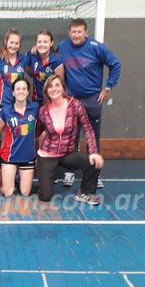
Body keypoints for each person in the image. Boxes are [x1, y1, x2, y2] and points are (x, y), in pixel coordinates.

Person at [57, 18, 121, 189]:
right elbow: (48, 56)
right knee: (71, 137)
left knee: (92, 137)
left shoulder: (96, 47)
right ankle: (69, 172)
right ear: (69, 32)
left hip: (92, 99)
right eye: (73, 32)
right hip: (72, 100)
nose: (76, 35)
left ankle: (94, 173)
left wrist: (108, 87)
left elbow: (115, 65)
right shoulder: (62, 47)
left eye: (79, 32)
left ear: (86, 32)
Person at [36, 75, 104, 204]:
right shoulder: (43, 111)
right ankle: (45, 175)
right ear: (46, 91)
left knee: (94, 162)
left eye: (57, 85)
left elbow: (88, 129)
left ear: (63, 88)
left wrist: (93, 152)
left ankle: (84, 193)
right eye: (50, 86)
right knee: (45, 196)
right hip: (47, 155)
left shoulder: (75, 105)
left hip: (67, 153)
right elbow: (37, 131)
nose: (54, 89)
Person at [0, 78, 39, 197]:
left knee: (25, 193)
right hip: (9, 156)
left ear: (28, 92)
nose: (21, 91)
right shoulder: (6, 110)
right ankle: (9, 178)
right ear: (13, 92)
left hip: (28, 156)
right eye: (18, 89)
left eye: (24, 89)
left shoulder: (35, 108)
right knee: (8, 193)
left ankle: (18, 178)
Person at [0, 29, 29, 108]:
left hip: (19, 103)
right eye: (11, 42)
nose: (13, 46)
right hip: (2, 103)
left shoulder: (25, 59)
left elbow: (33, 74)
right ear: (6, 42)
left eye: (17, 43)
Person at [27, 30, 64, 105]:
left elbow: (60, 84)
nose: (42, 44)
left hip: (52, 101)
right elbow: (29, 72)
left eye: (45, 42)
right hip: (36, 100)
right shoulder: (31, 55)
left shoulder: (57, 60)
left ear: (51, 43)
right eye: (39, 42)